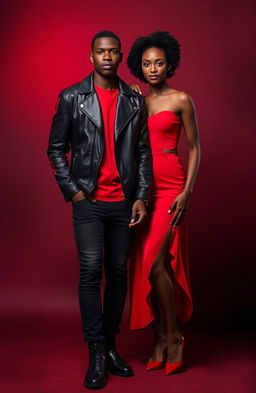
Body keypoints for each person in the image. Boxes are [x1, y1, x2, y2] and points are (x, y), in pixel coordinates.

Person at [47, 30, 152, 389]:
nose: (107, 57)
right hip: (89, 203)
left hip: (123, 203)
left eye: (112, 52)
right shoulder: (72, 97)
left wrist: (141, 195)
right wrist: (73, 191)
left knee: (118, 274)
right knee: (91, 272)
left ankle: (110, 345)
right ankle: (95, 350)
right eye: (100, 52)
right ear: (90, 57)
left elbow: (142, 153)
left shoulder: (134, 101)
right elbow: (56, 148)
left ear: (120, 57)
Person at [127, 31, 200, 375]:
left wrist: (187, 191)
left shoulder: (182, 99)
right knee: (147, 269)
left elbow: (196, 147)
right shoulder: (138, 102)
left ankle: (173, 338)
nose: (153, 68)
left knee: (158, 264)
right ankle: (157, 339)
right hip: (143, 192)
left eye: (158, 62)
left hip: (171, 187)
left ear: (169, 64)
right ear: (139, 67)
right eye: (146, 63)